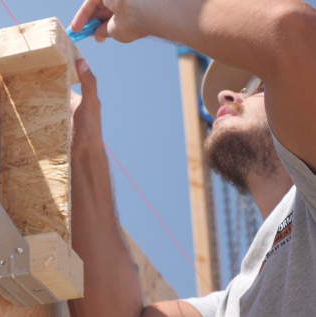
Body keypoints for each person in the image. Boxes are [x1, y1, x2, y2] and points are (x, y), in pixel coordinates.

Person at [66, 0, 316, 316]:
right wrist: (83, 148)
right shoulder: (237, 300)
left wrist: (143, 9)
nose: (226, 96)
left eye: (257, 86)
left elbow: (293, 35)